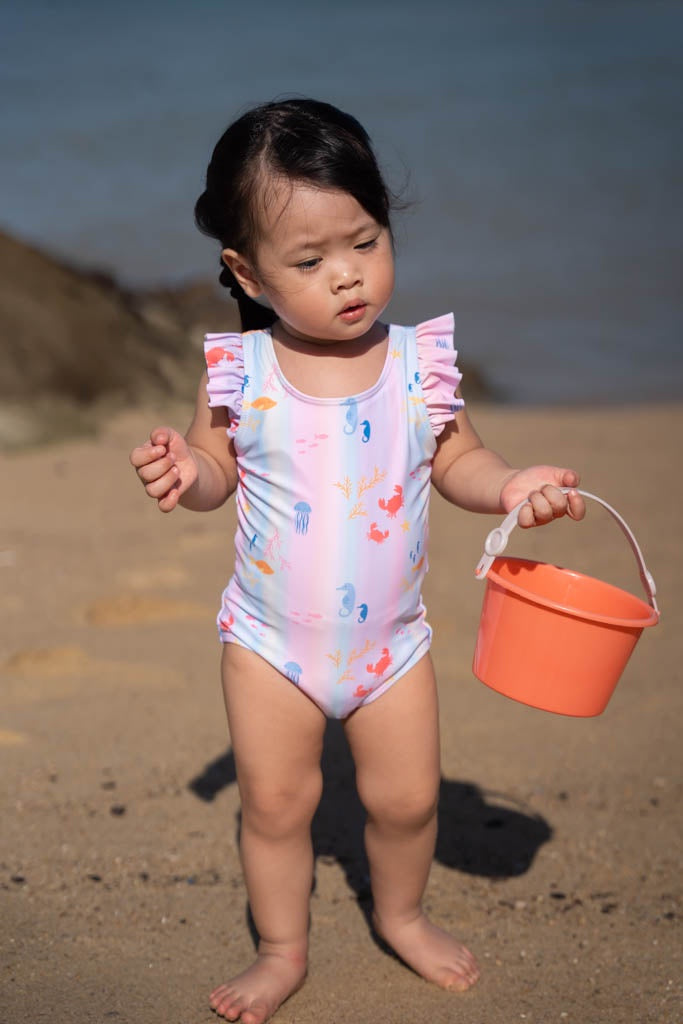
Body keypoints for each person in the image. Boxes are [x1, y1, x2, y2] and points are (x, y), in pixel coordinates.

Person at [129, 98, 585, 1024]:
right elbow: (218, 471)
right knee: (277, 804)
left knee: (409, 800)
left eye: (366, 243)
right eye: (309, 261)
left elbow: (457, 461)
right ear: (245, 272)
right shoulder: (239, 375)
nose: (348, 277)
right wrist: (187, 472)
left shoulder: (420, 365)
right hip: (270, 647)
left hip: (391, 647)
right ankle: (281, 949)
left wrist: (510, 487)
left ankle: (403, 916)